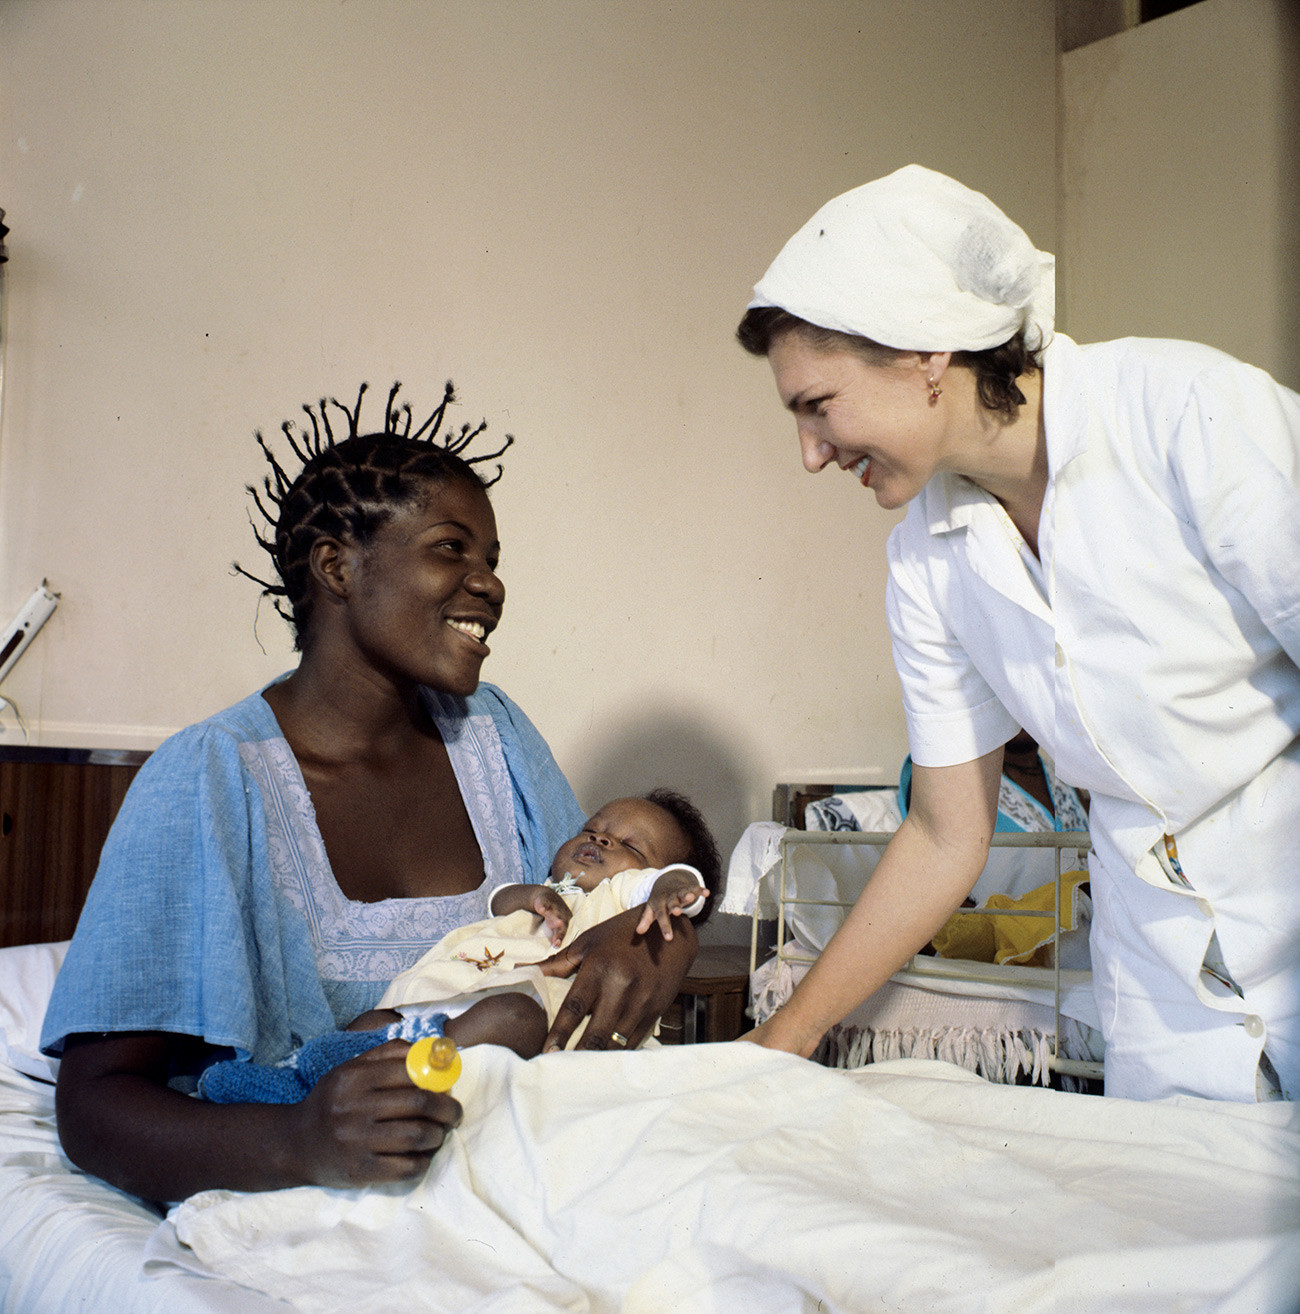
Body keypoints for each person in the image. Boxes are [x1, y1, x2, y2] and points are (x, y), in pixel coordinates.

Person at [39, 381, 701, 1202]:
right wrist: (297, 1141)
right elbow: (94, 1110)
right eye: (451, 549)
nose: (489, 585)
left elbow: (591, 918)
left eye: (492, 561)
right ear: (337, 567)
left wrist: (647, 949)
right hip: (328, 1188)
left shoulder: (494, 736)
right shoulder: (207, 780)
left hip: (526, 1155)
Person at [736, 165, 1300, 1103]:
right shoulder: (926, 561)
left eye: (817, 405)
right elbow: (943, 833)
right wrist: (780, 1042)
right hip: (1166, 1001)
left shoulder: (1190, 417)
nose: (811, 453)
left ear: (925, 353)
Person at [198, 789, 720, 1102]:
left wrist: (673, 889)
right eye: (595, 829)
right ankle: (303, 1082)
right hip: (436, 1005)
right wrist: (537, 895)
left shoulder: (620, 900)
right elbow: (498, 901)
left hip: (518, 1022)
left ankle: (352, 1075)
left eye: (629, 845)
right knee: (368, 1024)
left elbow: (675, 886)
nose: (603, 840)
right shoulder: (548, 892)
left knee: (512, 1015)